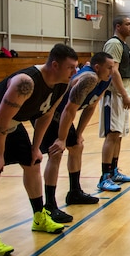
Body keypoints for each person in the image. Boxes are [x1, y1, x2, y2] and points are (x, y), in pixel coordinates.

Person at [0, 43, 78, 256]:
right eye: (71, 67)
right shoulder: (25, 82)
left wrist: (36, 148)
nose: (75, 72)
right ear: (55, 65)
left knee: (33, 163)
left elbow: (45, 115)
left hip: (11, 124)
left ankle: (39, 217)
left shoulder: (62, 84)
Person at [38, 52, 114, 223]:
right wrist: (61, 138)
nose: (112, 70)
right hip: (49, 112)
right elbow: (69, 110)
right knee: (56, 152)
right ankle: (49, 205)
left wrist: (78, 133)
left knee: (77, 146)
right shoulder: (89, 78)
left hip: (63, 114)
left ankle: (74, 192)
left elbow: (91, 106)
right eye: (109, 67)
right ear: (97, 67)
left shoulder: (106, 79)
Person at [98, 16, 130, 191]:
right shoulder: (114, 44)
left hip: (123, 92)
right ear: (118, 26)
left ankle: (114, 171)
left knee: (119, 134)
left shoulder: (123, 44)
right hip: (114, 95)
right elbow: (113, 71)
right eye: (128, 24)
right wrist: (123, 94)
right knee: (112, 134)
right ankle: (105, 176)